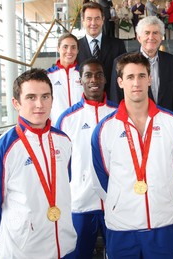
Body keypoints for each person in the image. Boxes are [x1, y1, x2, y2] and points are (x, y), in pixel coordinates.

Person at [91, 52, 173, 258]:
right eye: (130, 77)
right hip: (121, 225)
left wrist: (164, 196)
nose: (137, 82)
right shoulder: (104, 129)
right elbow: (100, 177)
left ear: (150, 79)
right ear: (120, 82)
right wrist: (120, 201)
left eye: (142, 76)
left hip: (162, 221)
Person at [0, 68, 77, 258]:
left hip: (64, 248)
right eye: (31, 97)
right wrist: (19, 239)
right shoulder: (2, 149)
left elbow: (65, 182)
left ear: (52, 100)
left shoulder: (63, 141)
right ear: (16, 103)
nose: (39, 104)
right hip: (23, 252)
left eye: (45, 97)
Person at [56, 59, 117, 259]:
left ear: (106, 78)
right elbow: (60, 164)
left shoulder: (118, 114)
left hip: (115, 203)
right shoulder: (68, 119)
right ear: (80, 80)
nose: (94, 79)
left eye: (98, 74)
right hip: (81, 204)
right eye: (88, 75)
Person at [110, 16, 173, 120]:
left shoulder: (172, 62)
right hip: (134, 124)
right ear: (139, 37)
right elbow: (116, 98)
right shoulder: (122, 62)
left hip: (166, 124)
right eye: (147, 33)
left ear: (161, 37)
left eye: (155, 33)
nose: (151, 37)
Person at [78, 2, 127, 99]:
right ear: (83, 21)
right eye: (89, 19)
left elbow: (123, 75)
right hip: (84, 104)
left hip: (112, 102)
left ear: (103, 20)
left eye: (97, 18)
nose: (93, 23)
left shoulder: (117, 45)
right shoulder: (75, 47)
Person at [47, 33, 82, 125]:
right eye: (65, 47)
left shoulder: (84, 74)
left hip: (81, 128)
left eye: (73, 47)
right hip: (57, 128)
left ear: (78, 50)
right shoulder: (47, 76)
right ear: (58, 49)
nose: (69, 51)